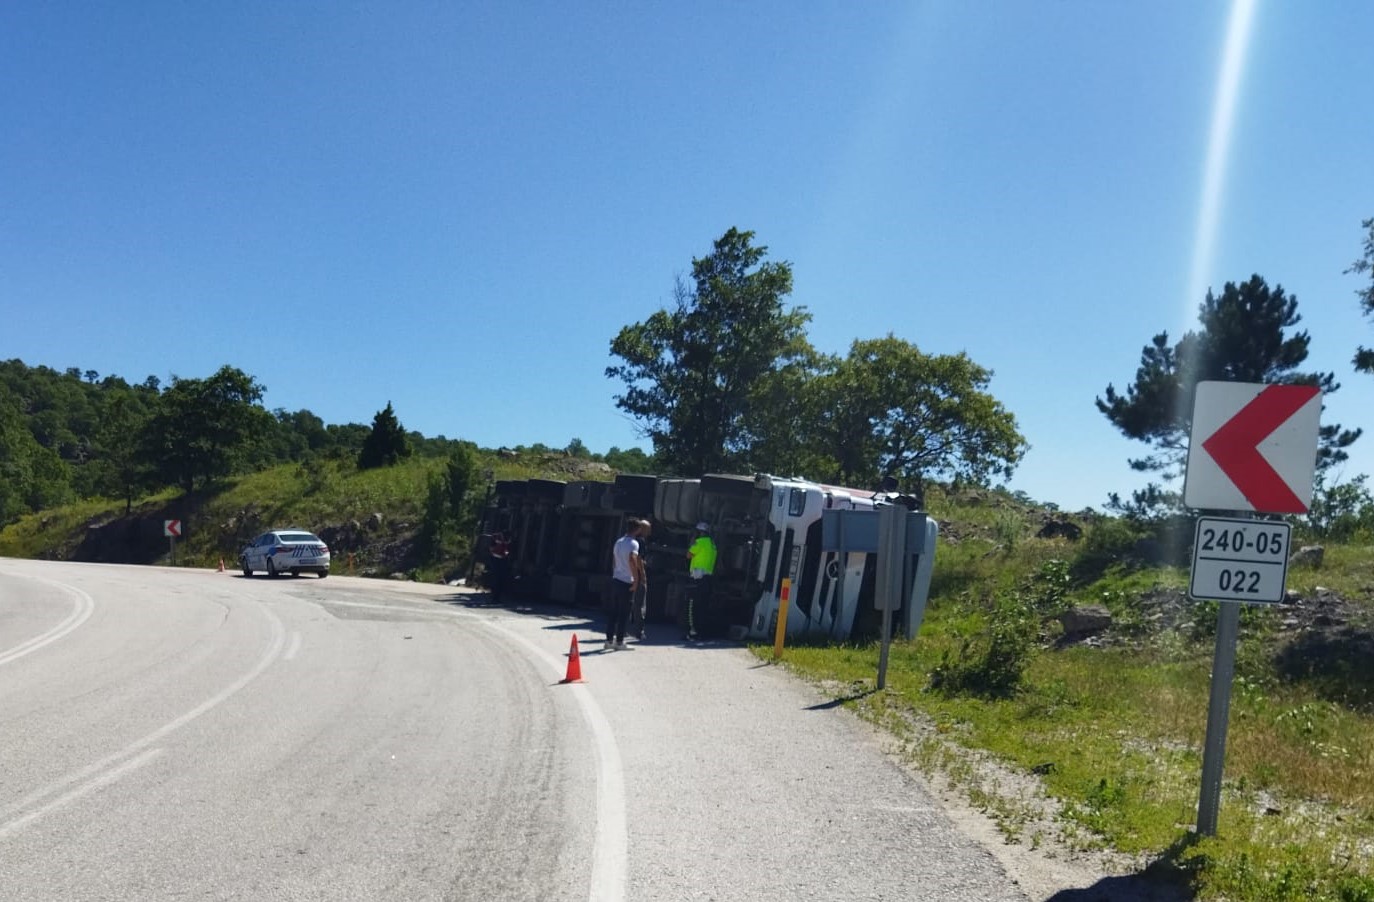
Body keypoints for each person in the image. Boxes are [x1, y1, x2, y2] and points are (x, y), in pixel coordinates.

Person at [607, 519, 645, 650]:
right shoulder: (634, 543)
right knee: (624, 613)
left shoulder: (618, 542)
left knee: (613, 612)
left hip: (616, 579)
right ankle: (619, 642)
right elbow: (632, 560)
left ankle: (608, 640)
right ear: (637, 530)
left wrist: (615, 573)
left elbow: (614, 560)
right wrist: (636, 580)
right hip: (626, 582)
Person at [684, 521, 717, 641]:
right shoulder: (712, 544)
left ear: (699, 532)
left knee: (693, 606)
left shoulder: (700, 542)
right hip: (707, 579)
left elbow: (688, 555)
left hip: (697, 578)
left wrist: (692, 542)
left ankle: (692, 632)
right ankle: (701, 632)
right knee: (703, 606)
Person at [629, 519, 651, 642]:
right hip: (637, 574)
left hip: (627, 575)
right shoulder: (640, 542)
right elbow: (639, 560)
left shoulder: (629, 541)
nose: (650, 531)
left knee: (629, 602)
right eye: (648, 529)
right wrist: (642, 576)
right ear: (641, 529)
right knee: (640, 604)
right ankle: (639, 631)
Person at [486, 530, 512, 603]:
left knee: (499, 580)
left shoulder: (505, 539)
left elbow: (506, 549)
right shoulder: (497, 537)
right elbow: (492, 548)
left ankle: (496, 598)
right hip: (496, 559)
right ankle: (494, 598)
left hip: (500, 559)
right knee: (497, 580)